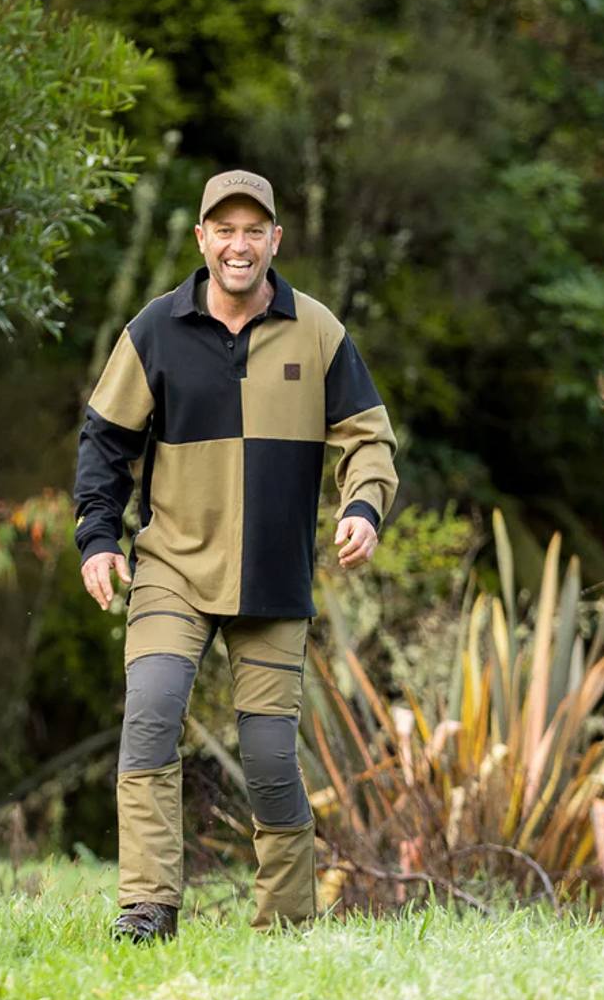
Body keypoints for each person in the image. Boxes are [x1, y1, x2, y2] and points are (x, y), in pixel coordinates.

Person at [73, 169, 398, 942]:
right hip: (172, 571)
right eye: (225, 230)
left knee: (268, 759)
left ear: (275, 241)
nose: (239, 245)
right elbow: (104, 443)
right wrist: (97, 539)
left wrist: (361, 507)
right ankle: (148, 908)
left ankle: (285, 922)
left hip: (273, 579)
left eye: (255, 231)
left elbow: (368, 438)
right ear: (202, 240)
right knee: (151, 718)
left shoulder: (318, 331)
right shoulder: (154, 331)